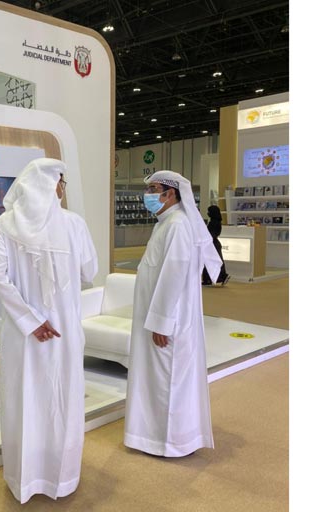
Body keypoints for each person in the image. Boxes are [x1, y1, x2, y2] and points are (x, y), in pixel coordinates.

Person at [0, 158, 98, 504]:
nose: (62, 188)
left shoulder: (5, 225)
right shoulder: (74, 224)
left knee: (24, 400)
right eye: (61, 182)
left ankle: (24, 478)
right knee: (62, 400)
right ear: (52, 185)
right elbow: (89, 272)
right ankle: (61, 477)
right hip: (63, 331)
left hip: (22, 334)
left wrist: (31, 320)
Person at [124, 170, 222, 457]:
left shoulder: (177, 225)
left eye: (153, 189)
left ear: (170, 194)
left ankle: (170, 442)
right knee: (157, 380)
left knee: (168, 379)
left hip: (170, 321)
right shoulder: (166, 223)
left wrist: (161, 322)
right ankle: (152, 436)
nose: (148, 195)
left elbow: (173, 277)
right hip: (159, 317)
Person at [202, 205, 231, 286]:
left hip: (212, 244)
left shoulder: (213, 223)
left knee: (210, 261)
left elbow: (211, 234)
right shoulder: (217, 222)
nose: (208, 213)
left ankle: (213, 278)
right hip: (214, 243)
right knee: (215, 261)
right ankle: (217, 277)